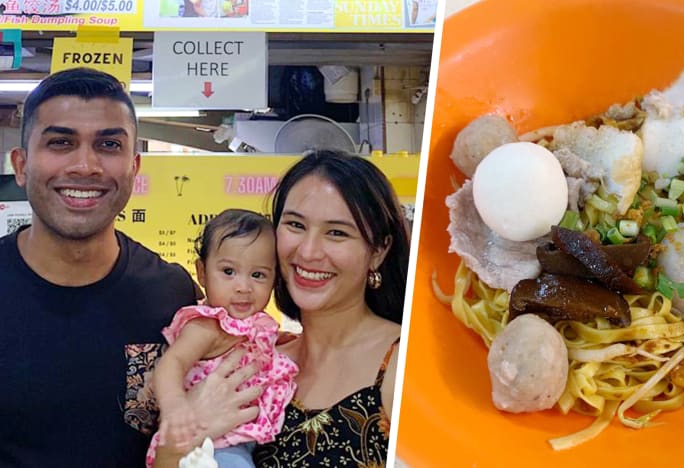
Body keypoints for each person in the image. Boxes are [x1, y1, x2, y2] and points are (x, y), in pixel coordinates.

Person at [0, 67, 260, 468]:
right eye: (61, 142)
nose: (85, 166)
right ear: (21, 165)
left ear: (134, 167)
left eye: (108, 144)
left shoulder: (173, 296)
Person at [251, 149, 410, 467]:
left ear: (379, 250)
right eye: (295, 225)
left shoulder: (404, 363)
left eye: (336, 233)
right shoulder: (260, 363)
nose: (308, 252)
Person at [146, 209, 298, 468]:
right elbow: (172, 363)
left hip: (237, 437)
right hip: (211, 445)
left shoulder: (251, 327)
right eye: (228, 271)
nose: (243, 287)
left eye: (258, 275)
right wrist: (175, 406)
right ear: (202, 272)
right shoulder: (207, 325)